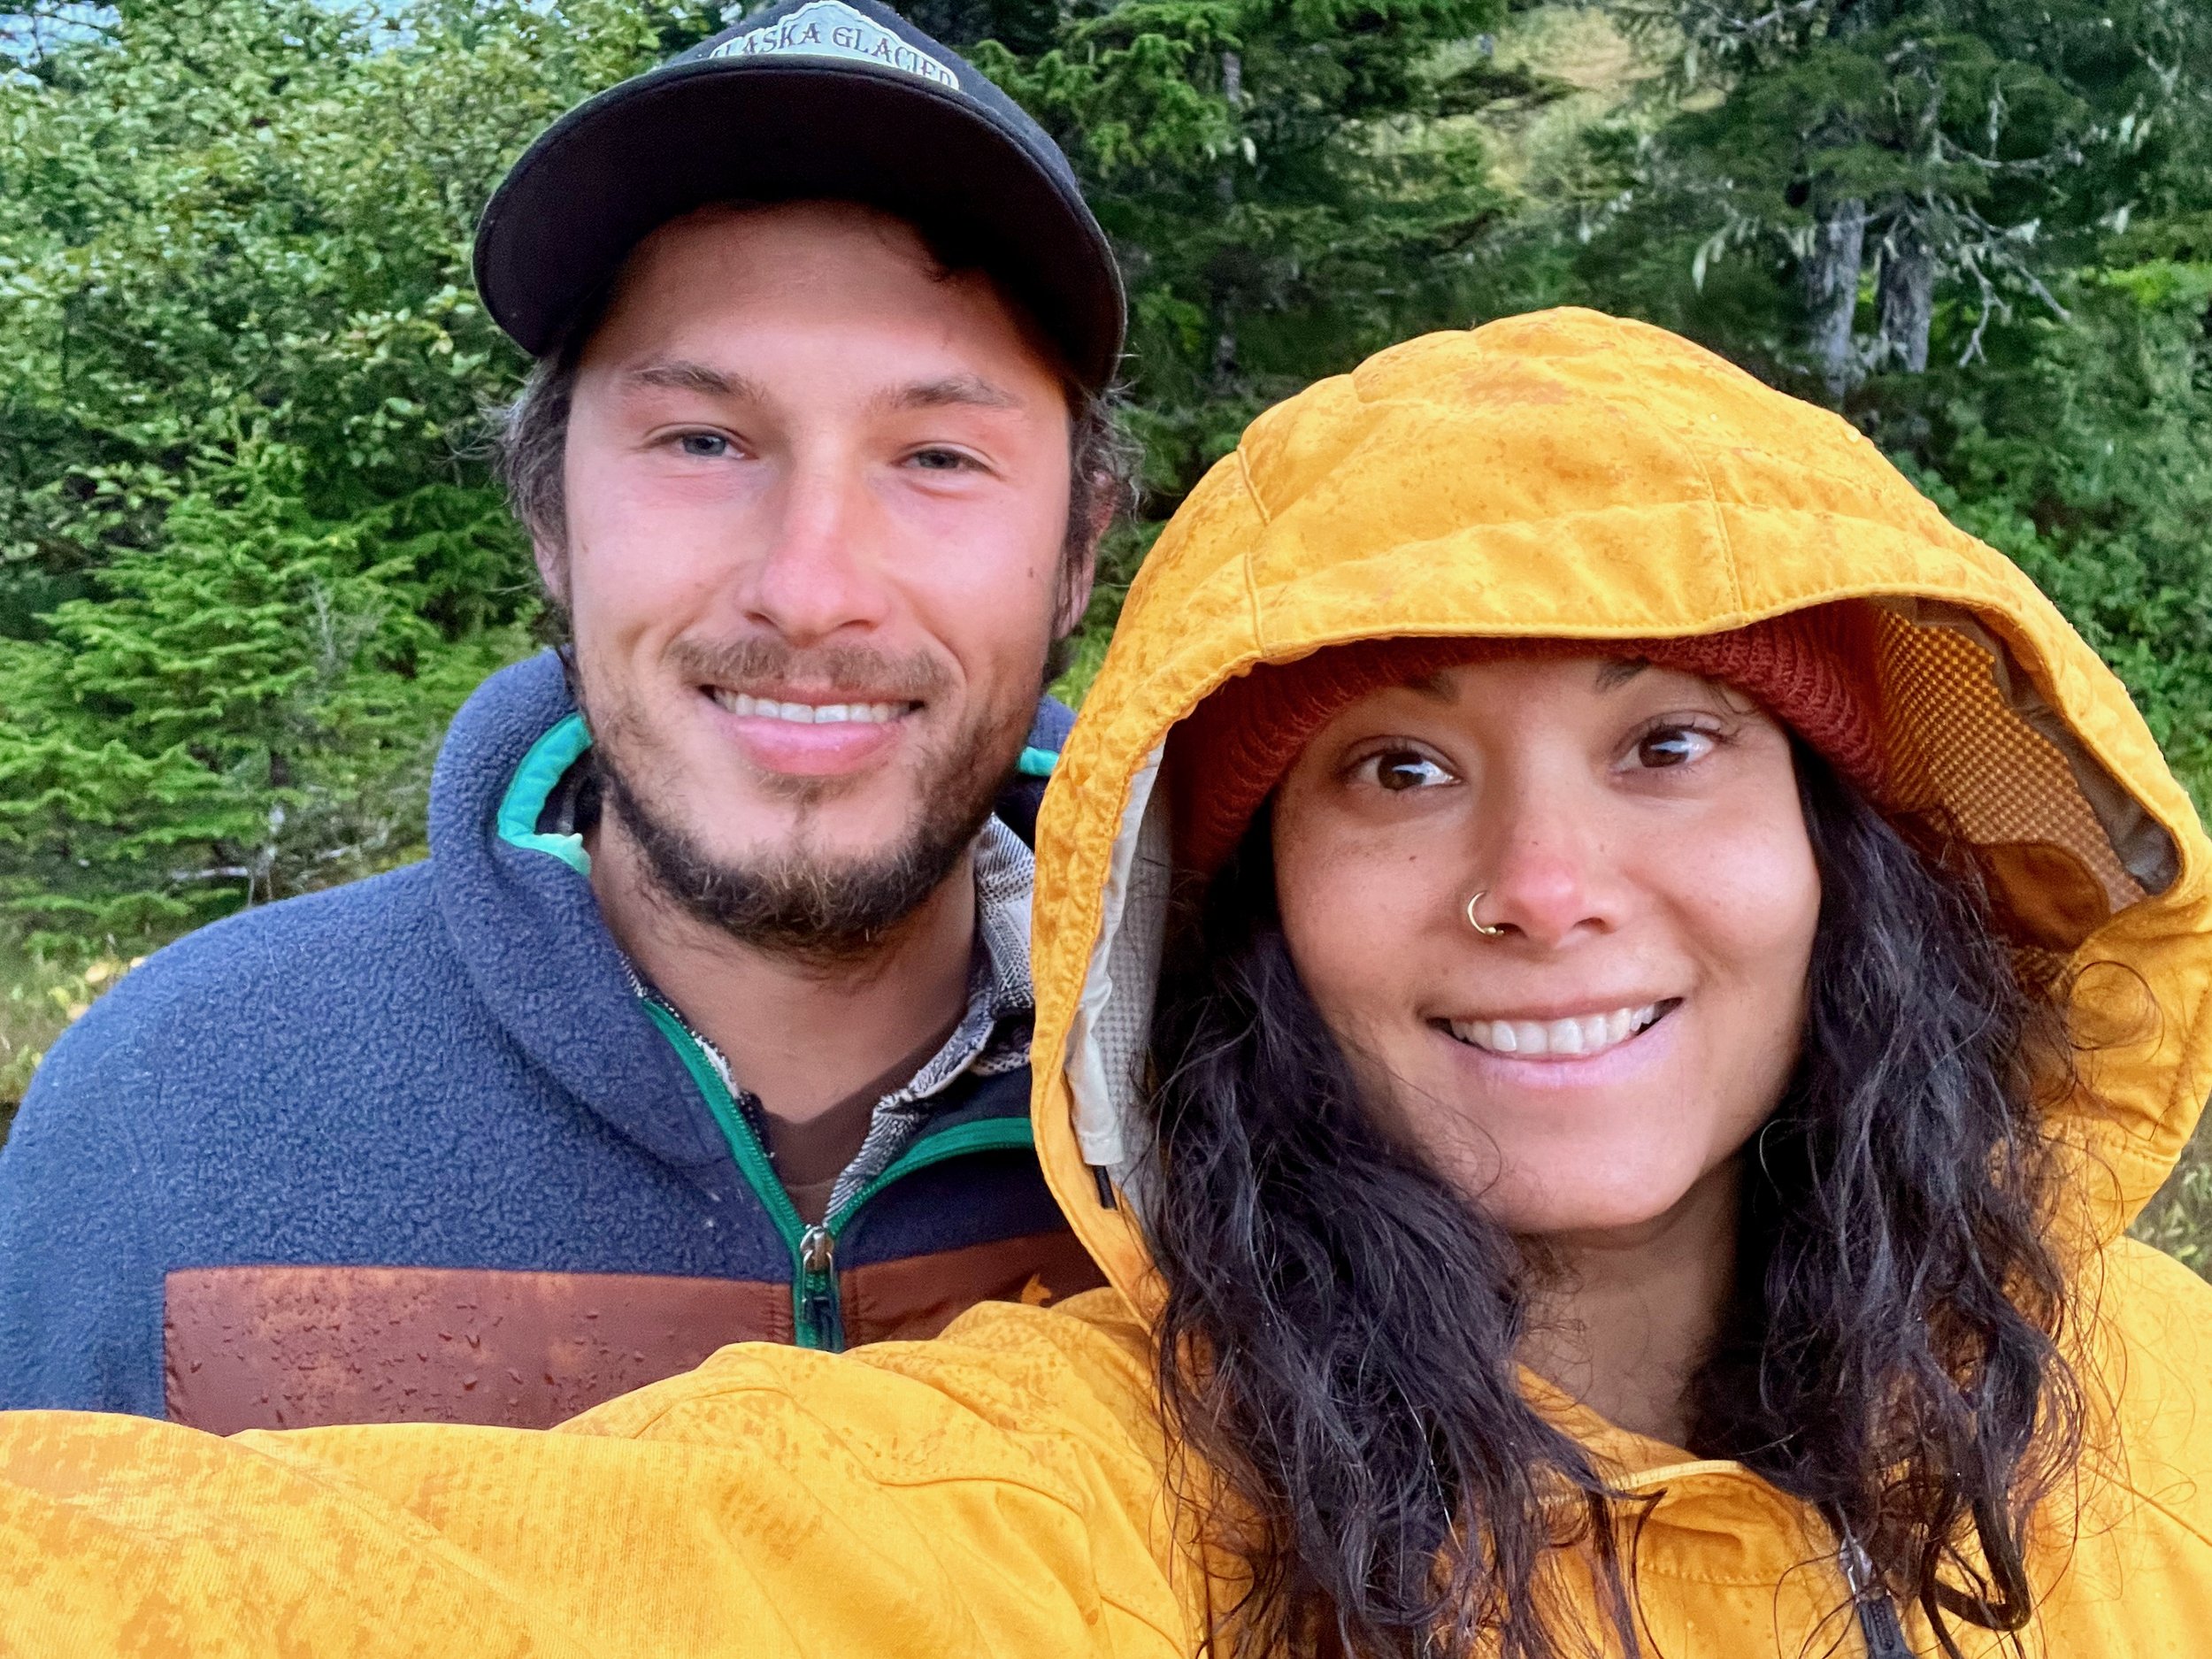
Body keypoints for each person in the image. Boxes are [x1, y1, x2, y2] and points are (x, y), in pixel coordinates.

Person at [4, 308, 2211, 1659]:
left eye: (1671, 743)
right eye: (1399, 765)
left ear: (1846, 851)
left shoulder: (2154, 1407)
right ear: (1247, 912)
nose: (1544, 887)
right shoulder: (1085, 1495)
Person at [0, 0, 1130, 1430]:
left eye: (940, 456)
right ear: (548, 514)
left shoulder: (1264, 1108)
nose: (809, 591)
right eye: (703, 440)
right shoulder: (165, 1114)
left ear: (1079, 549)